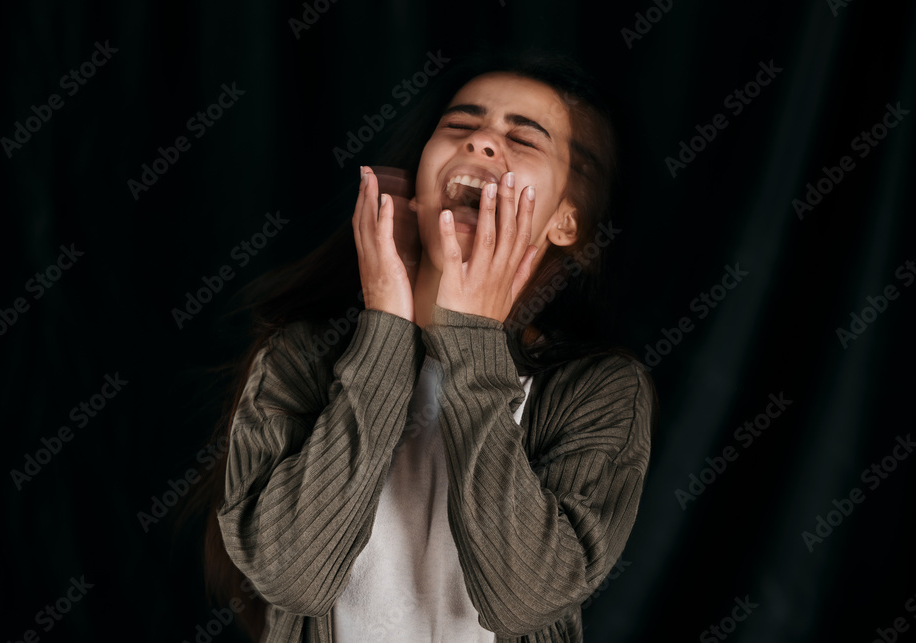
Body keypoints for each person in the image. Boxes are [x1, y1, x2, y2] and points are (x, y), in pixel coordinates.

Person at [182, 48, 657, 643]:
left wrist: (473, 343)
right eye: (462, 124)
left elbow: (523, 601)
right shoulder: (301, 356)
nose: (482, 142)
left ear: (566, 221)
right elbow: (292, 577)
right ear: (418, 186)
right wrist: (385, 329)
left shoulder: (602, 391)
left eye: (524, 138)